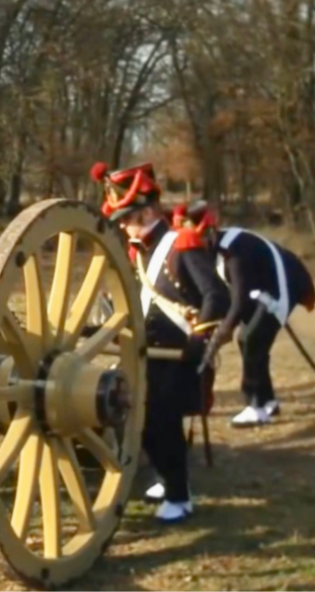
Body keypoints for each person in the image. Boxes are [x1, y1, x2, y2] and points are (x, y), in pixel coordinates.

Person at [93, 162, 231, 522]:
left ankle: (180, 494)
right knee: (139, 418)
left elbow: (216, 296)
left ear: (150, 210)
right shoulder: (139, 250)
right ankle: (164, 475)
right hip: (147, 350)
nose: (123, 224)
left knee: (162, 421)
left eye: (129, 216)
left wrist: (201, 340)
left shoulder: (180, 245)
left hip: (179, 351)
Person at [173, 200, 315, 427]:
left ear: (210, 232)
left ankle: (256, 406)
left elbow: (239, 299)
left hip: (281, 284)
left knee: (249, 338)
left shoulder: (234, 251)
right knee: (251, 342)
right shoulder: (214, 249)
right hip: (260, 290)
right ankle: (268, 400)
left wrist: (223, 331)